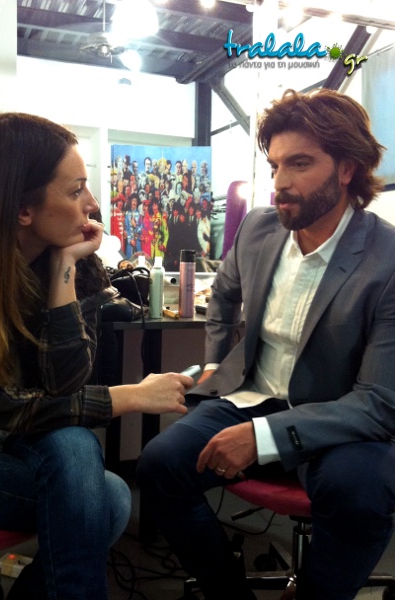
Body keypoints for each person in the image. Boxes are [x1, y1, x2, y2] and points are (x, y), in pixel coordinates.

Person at [137, 88, 395, 600]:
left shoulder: (386, 259)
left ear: (347, 168)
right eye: (275, 165)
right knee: (160, 464)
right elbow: (223, 295)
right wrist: (214, 364)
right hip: (251, 393)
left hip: (339, 414)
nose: (280, 183)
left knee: (359, 492)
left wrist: (264, 437)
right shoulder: (259, 228)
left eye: (300, 164)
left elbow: (379, 402)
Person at [0, 112, 193, 600]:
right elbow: (9, 407)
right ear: (23, 209)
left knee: (81, 451)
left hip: (22, 439)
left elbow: (65, 387)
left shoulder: (68, 261)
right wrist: (130, 397)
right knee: (109, 498)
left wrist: (64, 269)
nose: (93, 204)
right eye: (76, 190)